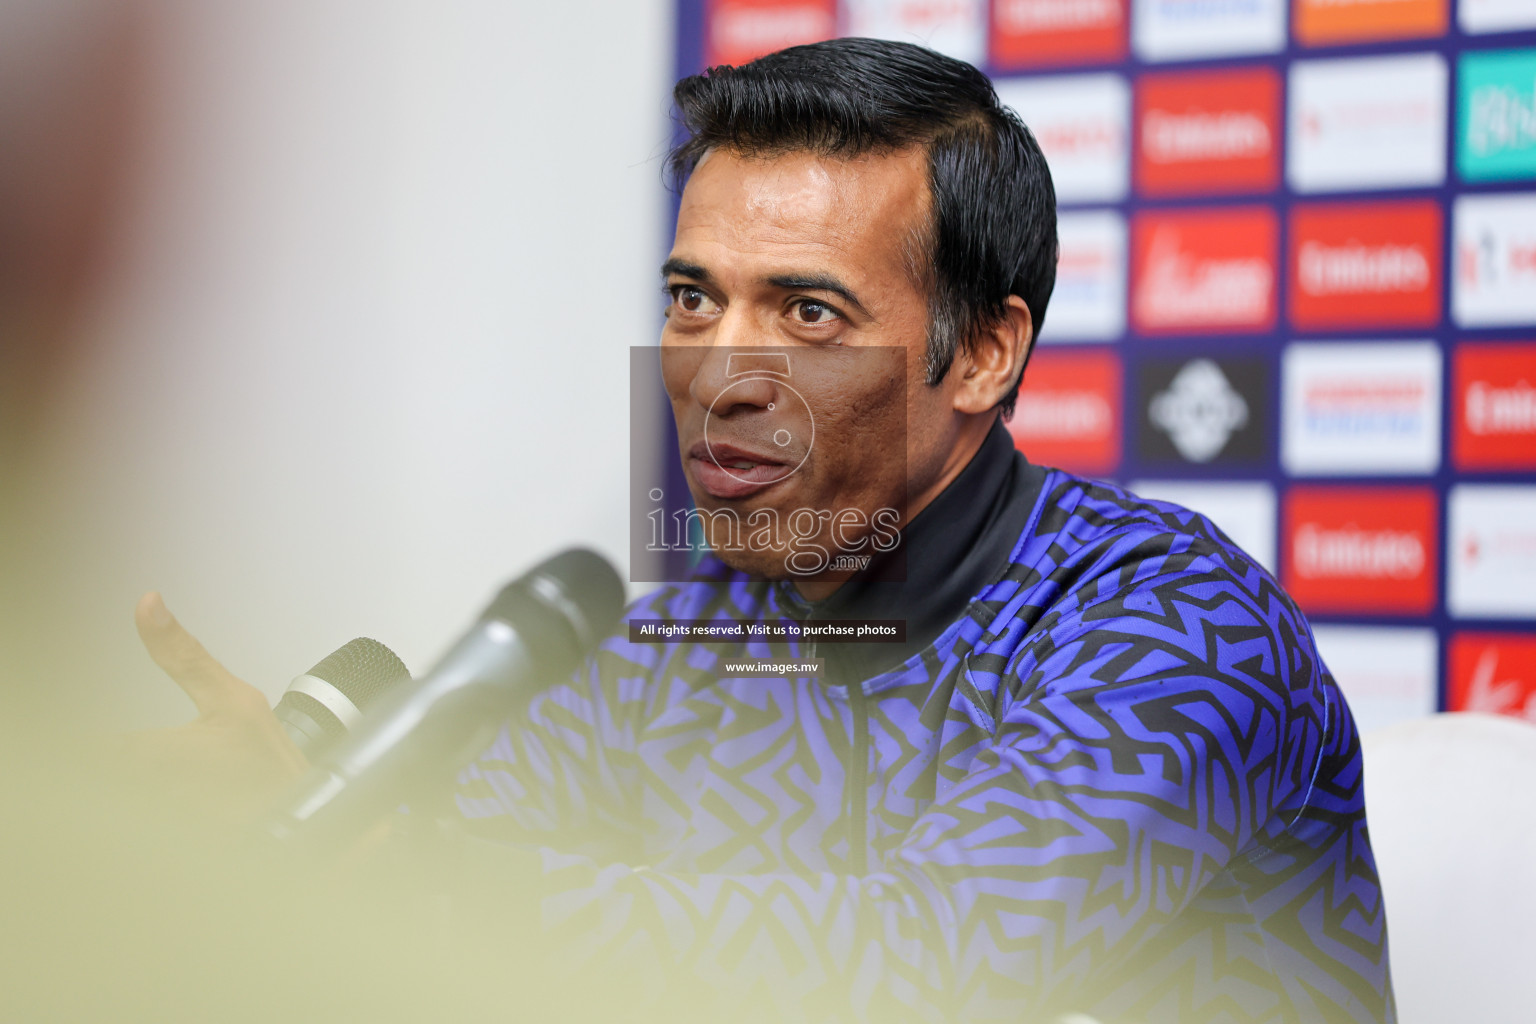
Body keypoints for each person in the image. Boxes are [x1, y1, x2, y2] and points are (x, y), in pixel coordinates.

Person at [130, 38, 1394, 1023]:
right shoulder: (665, 649)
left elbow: (945, 960)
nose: (721, 373)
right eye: (692, 298)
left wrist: (408, 871)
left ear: (987, 353)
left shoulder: (1173, 620)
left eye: (808, 313)